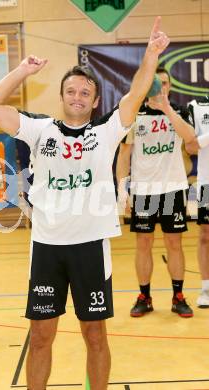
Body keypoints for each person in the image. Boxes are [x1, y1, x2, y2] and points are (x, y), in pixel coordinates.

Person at [0, 17, 169, 390]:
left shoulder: (107, 131)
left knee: (95, 335)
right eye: (71, 91)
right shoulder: (39, 129)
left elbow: (134, 94)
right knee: (41, 336)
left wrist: (150, 56)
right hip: (47, 248)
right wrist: (22, 70)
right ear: (62, 96)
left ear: (96, 101)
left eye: (85, 93)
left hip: (89, 248)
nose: (77, 97)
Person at [117, 66, 195, 318]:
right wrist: (122, 189)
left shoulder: (180, 112)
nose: (159, 87)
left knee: (174, 242)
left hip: (173, 188)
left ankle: (178, 296)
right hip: (143, 191)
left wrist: (167, 109)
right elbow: (124, 155)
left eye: (164, 83)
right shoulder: (135, 113)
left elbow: (191, 140)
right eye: (154, 83)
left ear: (169, 86)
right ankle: (144, 296)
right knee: (143, 242)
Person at [186, 97, 209, 308]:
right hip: (207, 184)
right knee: (205, 236)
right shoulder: (195, 106)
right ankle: (206, 288)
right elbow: (191, 147)